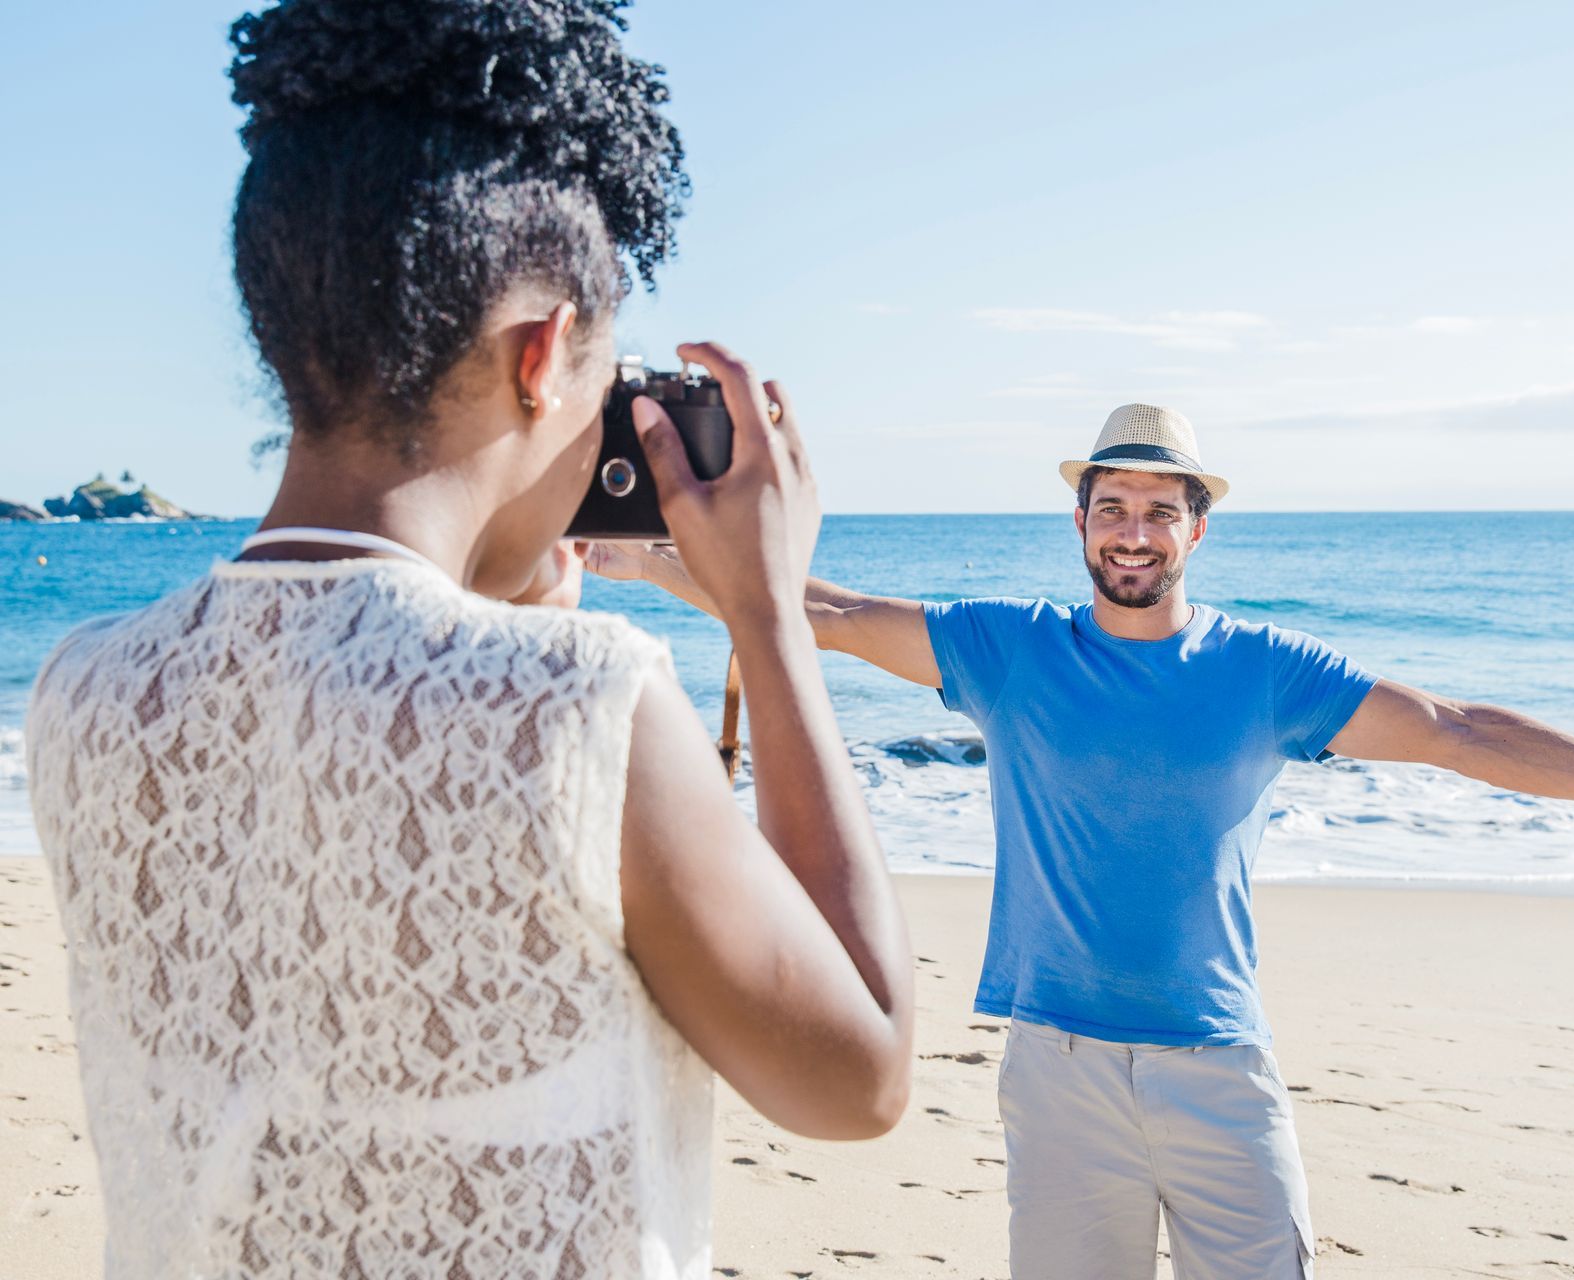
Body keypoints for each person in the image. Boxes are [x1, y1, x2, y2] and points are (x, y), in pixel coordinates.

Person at [23, 3, 913, 1276]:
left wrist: (494, 621)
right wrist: (769, 616)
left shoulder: (82, 691)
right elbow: (861, 1074)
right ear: (545, 354)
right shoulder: (583, 704)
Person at [594, 400, 1574, 1280]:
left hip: (1219, 1065)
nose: (1134, 530)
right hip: (1058, 1066)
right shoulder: (1012, 649)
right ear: (1080, 520)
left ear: (1197, 532)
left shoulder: (1266, 670)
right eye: (1112, 506)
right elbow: (823, 610)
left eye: (1160, 511)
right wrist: (644, 558)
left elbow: (1456, 730)